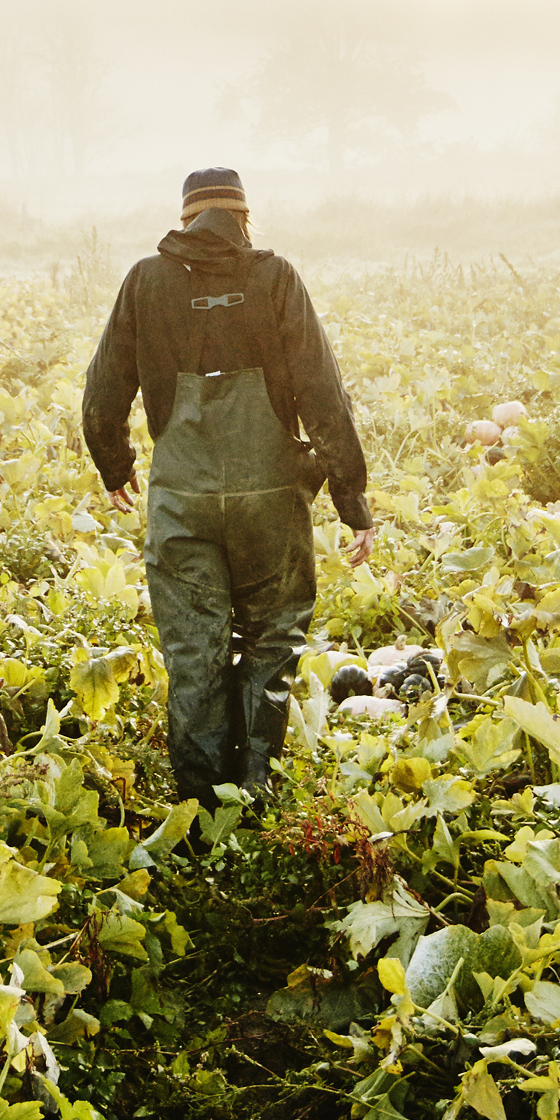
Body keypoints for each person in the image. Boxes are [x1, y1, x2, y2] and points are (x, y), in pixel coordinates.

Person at [81, 168, 376, 807]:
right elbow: (323, 392)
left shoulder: (146, 280)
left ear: (186, 219)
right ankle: (255, 793)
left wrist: (114, 466)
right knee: (272, 642)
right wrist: (352, 501)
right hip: (270, 501)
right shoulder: (274, 278)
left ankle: (201, 815)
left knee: (195, 652)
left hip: (181, 497)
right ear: (244, 218)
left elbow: (103, 389)